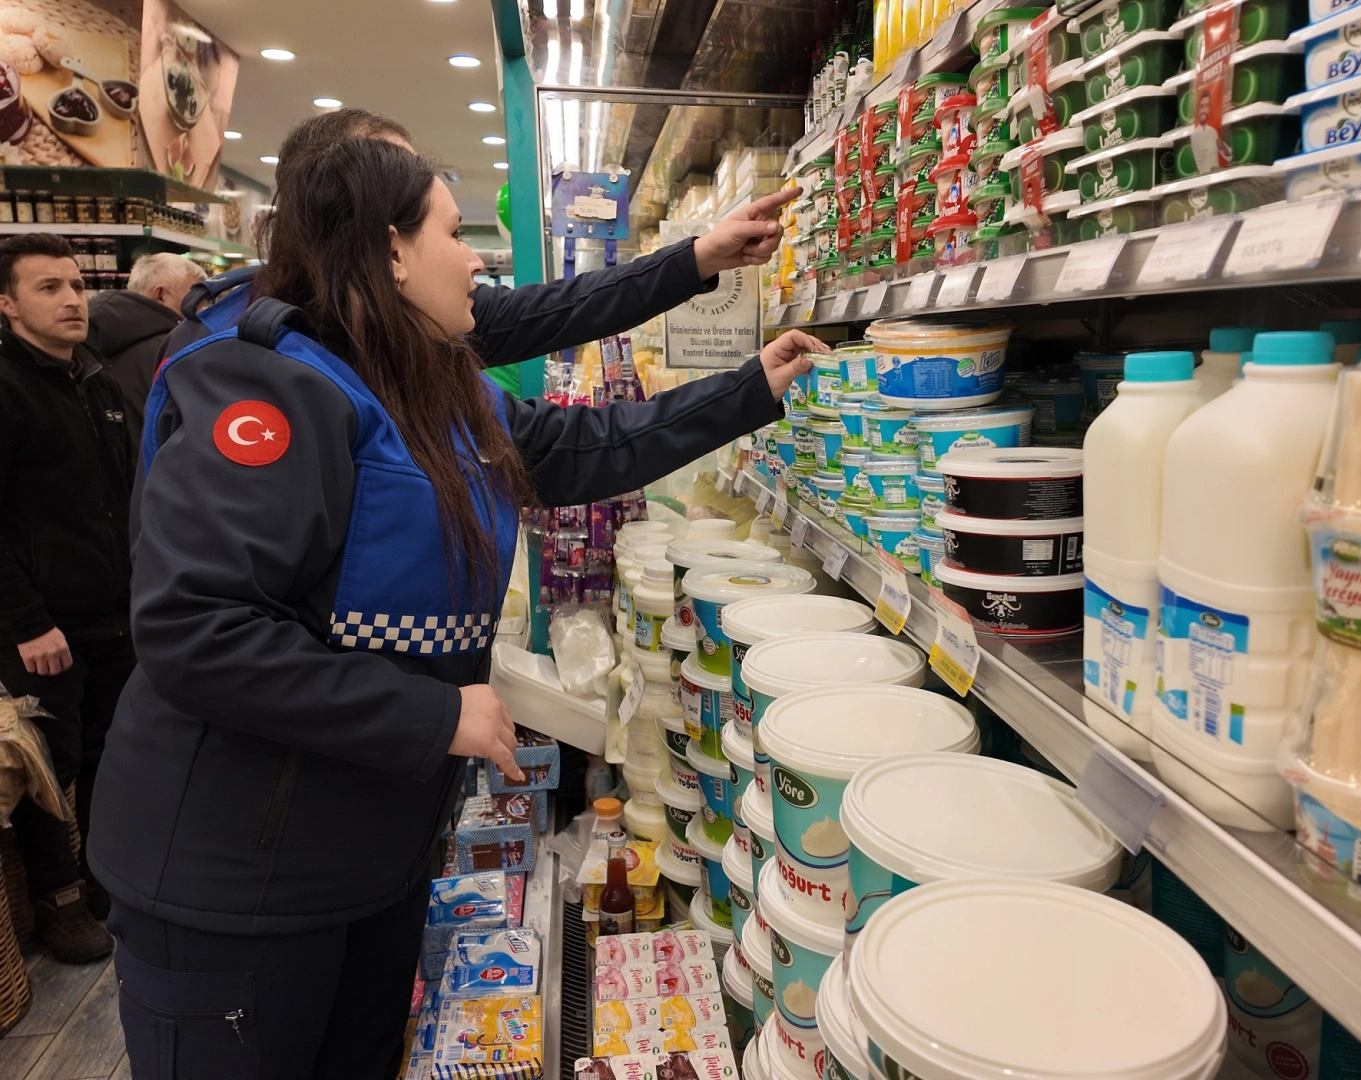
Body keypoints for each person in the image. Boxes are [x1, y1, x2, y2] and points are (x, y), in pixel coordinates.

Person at [91, 136, 823, 1079]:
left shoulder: (434, 382)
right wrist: (435, 712)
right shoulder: (267, 387)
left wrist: (749, 389)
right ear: (389, 252)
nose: (478, 255)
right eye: (452, 227)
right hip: (234, 880)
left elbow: (577, 445)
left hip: (367, 856)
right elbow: (196, 630)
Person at [168, 108, 796, 375]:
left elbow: (561, 308)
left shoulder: (413, 323)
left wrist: (697, 257)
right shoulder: (256, 361)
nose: (470, 258)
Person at [0, 233, 129, 963]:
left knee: (110, 753)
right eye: (48, 287)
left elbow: (121, 498)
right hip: (40, 627)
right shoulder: (8, 388)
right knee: (50, 768)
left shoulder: (97, 380)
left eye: (76, 285)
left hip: (112, 614)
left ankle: (102, 879)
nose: (73, 299)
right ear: (7, 304)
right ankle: (58, 903)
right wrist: (27, 621)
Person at [88, 252, 206, 453]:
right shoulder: (177, 350)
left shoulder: (86, 341)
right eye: (196, 300)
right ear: (160, 294)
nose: (203, 310)